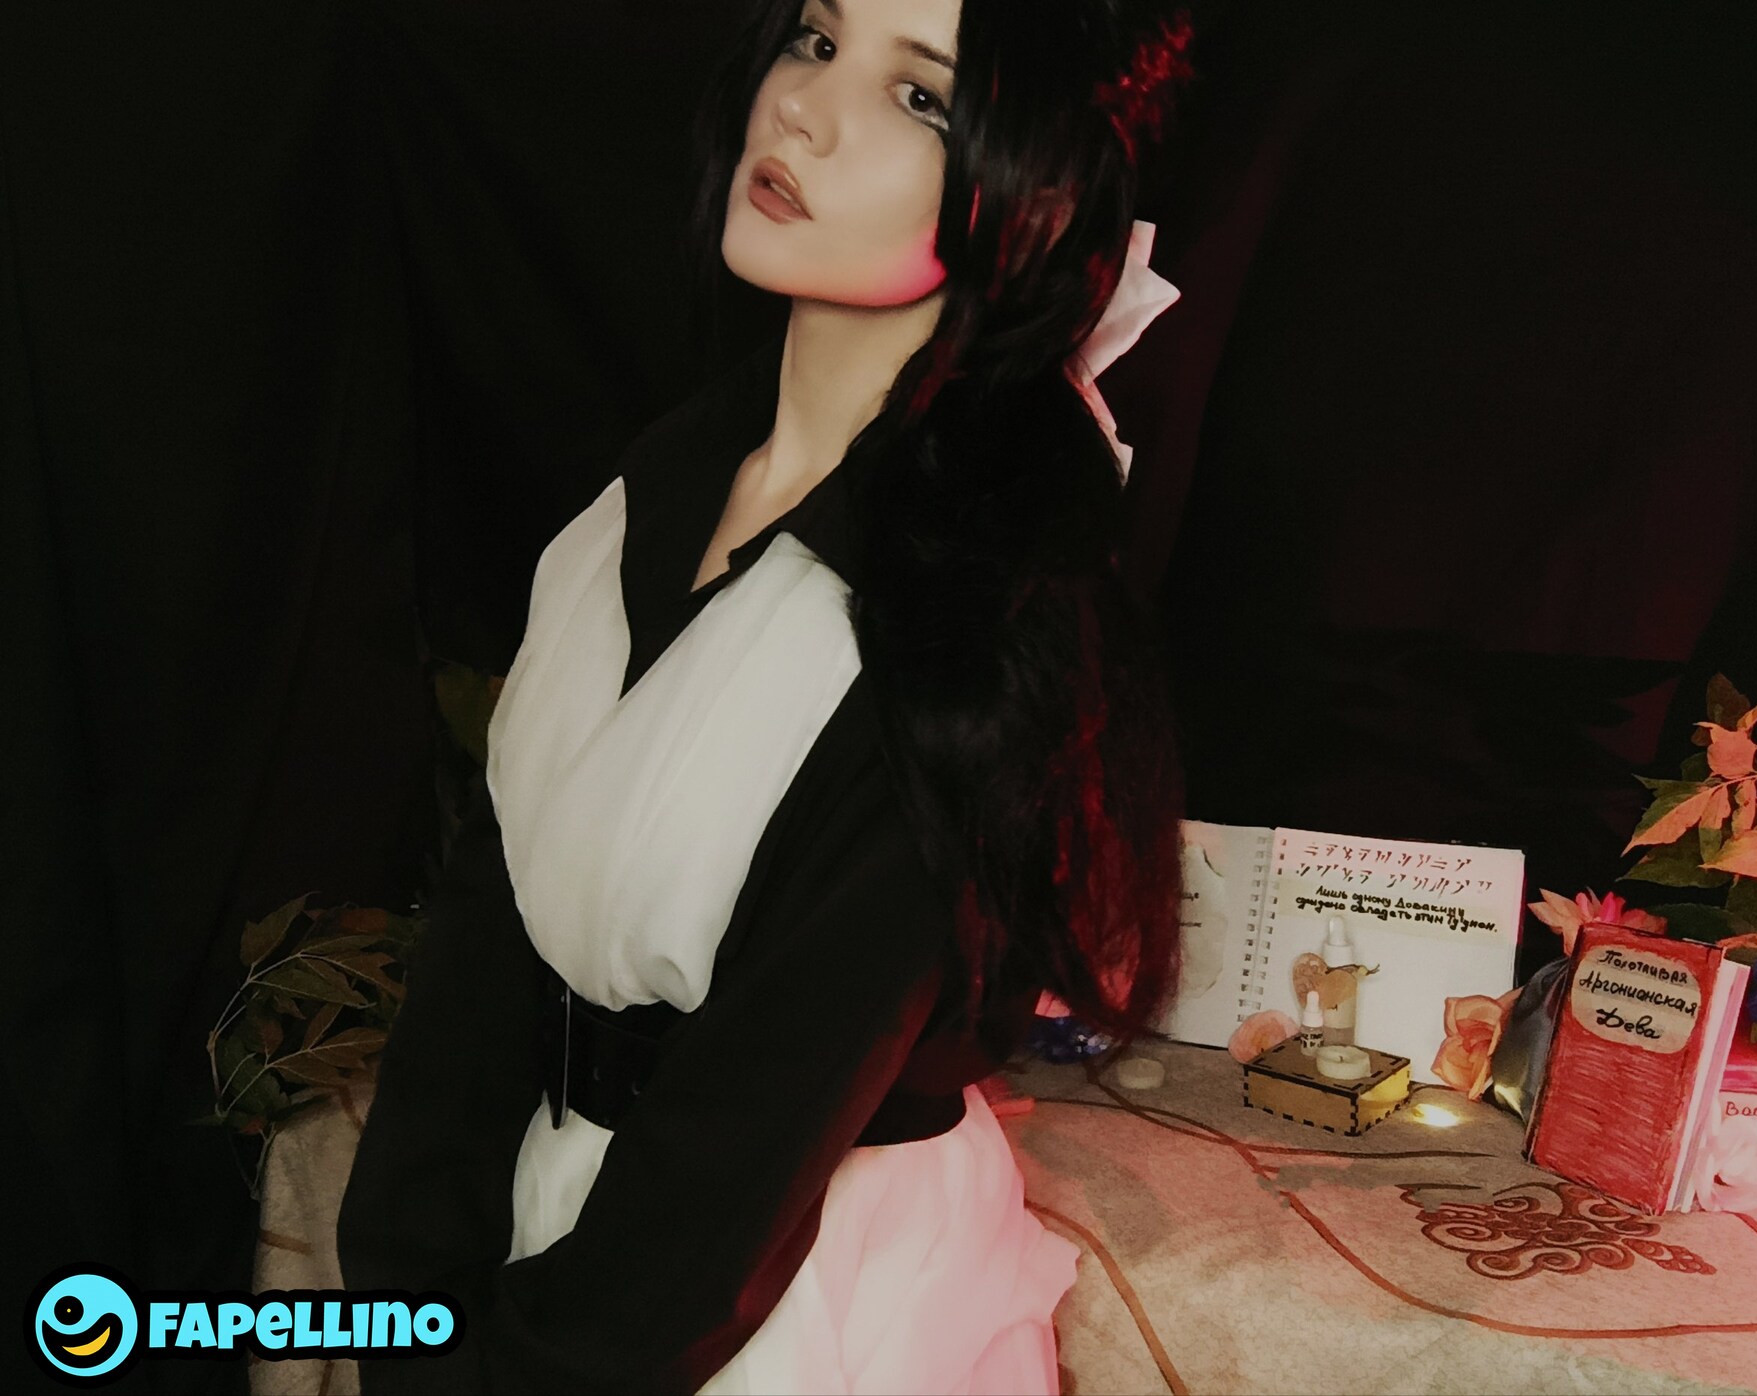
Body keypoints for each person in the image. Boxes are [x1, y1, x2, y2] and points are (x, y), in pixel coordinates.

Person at [336, 0, 1194, 1390]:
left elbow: (730, 1176)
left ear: (1030, 201)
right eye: (814, 38)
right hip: (547, 1256)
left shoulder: (956, 630)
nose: (804, 108)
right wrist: (406, 1307)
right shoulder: (630, 514)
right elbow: (478, 977)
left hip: (791, 1314)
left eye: (920, 97)